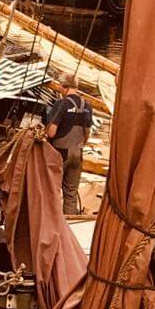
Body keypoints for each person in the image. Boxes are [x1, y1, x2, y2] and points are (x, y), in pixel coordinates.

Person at [44, 79, 93, 216]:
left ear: (63, 86)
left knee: (52, 189)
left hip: (60, 153)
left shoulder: (62, 103)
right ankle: (69, 221)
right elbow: (87, 133)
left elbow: (51, 132)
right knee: (71, 192)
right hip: (78, 153)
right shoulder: (87, 106)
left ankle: (50, 220)